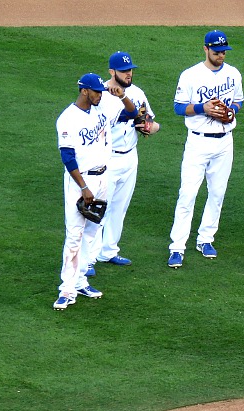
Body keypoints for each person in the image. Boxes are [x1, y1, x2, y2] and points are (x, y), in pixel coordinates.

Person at [53, 73, 135, 310]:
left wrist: (123, 95)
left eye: (101, 91)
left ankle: (80, 281)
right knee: (75, 234)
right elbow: (67, 157)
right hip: (82, 182)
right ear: (84, 91)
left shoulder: (101, 109)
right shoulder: (68, 119)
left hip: (103, 178)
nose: (101, 94)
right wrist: (84, 188)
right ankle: (67, 289)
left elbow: (130, 114)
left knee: (92, 231)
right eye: (96, 91)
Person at [166, 30, 244, 268]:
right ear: (206, 49)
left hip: (224, 140)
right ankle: (177, 247)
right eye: (217, 52)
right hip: (198, 142)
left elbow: (238, 101)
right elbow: (179, 107)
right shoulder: (190, 75)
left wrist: (231, 111)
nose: (221, 55)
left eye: (223, 52)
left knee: (217, 193)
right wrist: (203, 108)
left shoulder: (233, 73)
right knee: (187, 194)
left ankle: (205, 238)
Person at [85, 51, 161, 276]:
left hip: (130, 156)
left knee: (120, 207)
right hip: (107, 158)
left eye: (130, 70)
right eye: (124, 71)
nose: (128, 74)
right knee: (98, 209)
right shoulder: (100, 95)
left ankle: (108, 251)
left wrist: (149, 128)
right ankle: (88, 258)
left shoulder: (137, 93)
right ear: (112, 72)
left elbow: (152, 123)